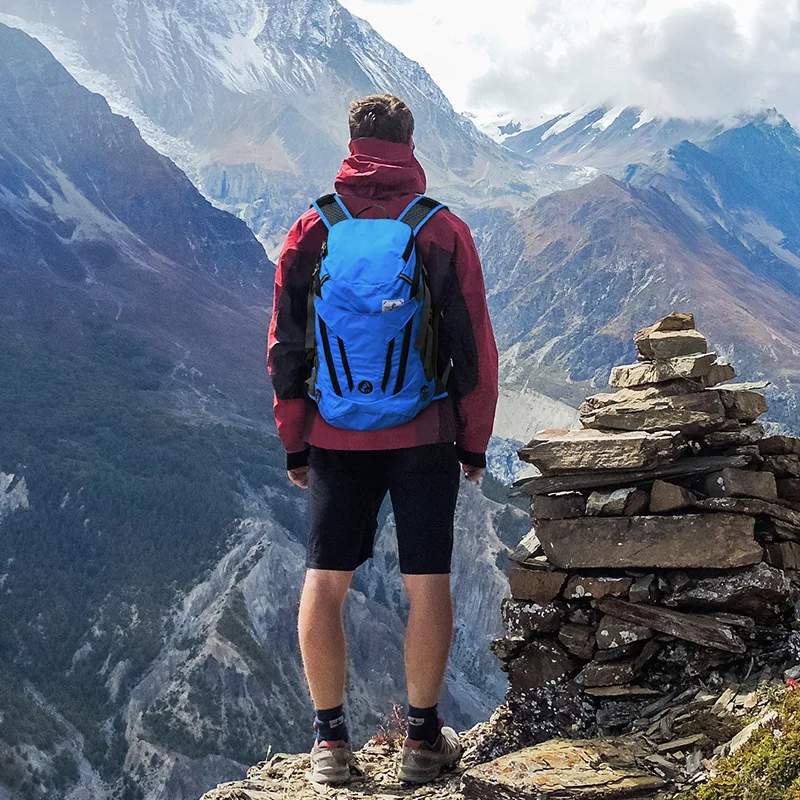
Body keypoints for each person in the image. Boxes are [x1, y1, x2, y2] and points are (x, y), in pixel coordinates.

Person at [267, 93, 498, 785]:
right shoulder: (441, 229)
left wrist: (295, 440)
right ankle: (423, 741)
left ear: (350, 144)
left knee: (326, 580)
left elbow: (285, 345)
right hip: (423, 431)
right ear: (411, 144)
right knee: (428, 583)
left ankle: (330, 744)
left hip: (335, 431)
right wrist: (473, 441)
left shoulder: (313, 229)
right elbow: (474, 346)